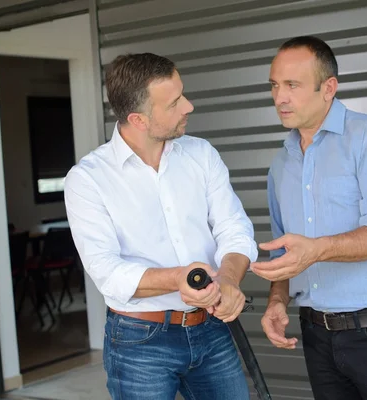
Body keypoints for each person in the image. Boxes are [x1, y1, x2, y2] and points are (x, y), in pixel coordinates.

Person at [64, 52, 257, 400]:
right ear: (138, 119)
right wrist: (176, 278)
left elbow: (234, 228)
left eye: (182, 93)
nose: (189, 106)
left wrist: (228, 280)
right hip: (140, 341)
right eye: (174, 102)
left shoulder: (202, 155)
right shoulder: (87, 180)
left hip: (211, 328)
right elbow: (106, 271)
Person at [250, 36, 367, 400]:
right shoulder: (281, 164)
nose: (279, 97)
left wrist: (317, 250)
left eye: (292, 85)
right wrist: (276, 301)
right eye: (274, 85)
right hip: (317, 335)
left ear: (328, 88)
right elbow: (285, 250)